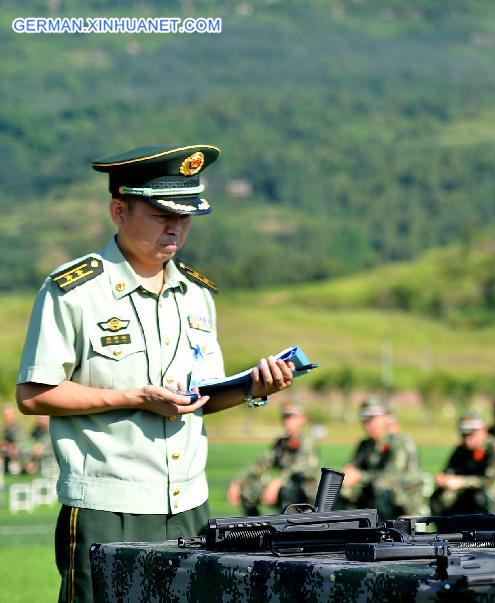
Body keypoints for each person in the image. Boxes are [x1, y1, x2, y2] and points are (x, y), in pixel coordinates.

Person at [15, 145, 297, 603]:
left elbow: (201, 395)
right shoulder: (76, 290)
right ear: (119, 211)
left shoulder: (196, 294)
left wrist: (253, 388)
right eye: (163, 213)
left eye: (186, 216)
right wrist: (134, 398)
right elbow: (33, 395)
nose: (176, 227)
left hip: (189, 503)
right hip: (109, 505)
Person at [227, 402, 320, 515]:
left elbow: (298, 467)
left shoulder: (307, 440)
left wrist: (277, 482)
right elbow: (262, 463)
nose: (287, 421)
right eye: (285, 417)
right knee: (247, 489)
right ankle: (256, 529)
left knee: (287, 490)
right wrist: (238, 481)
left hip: (306, 494)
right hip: (285, 488)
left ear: (302, 419)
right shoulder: (282, 442)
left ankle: (291, 528)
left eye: (291, 417)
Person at [341, 398, 424, 519]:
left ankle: (384, 532)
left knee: (381, 486)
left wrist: (360, 476)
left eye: (372, 419)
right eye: (365, 420)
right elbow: (351, 467)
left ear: (386, 419)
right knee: (340, 487)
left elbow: (391, 476)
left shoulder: (399, 442)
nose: (367, 424)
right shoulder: (365, 444)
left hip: (402, 499)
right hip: (373, 495)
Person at [430, 410, 495, 520]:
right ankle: (448, 533)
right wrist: (444, 479)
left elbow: (491, 481)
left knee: (482, 496)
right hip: (469, 496)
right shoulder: (461, 450)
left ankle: (487, 533)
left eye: (471, 434)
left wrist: (462, 482)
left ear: (483, 431)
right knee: (442, 496)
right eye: (464, 435)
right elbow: (450, 471)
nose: (467, 440)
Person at [2, 402, 22, 474]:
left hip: (16, 458)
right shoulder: (4, 428)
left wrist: (6, 445)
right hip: (5, 456)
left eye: (9, 414)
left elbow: (18, 444)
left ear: (13, 415)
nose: (7, 417)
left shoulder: (17, 428)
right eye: (6, 415)